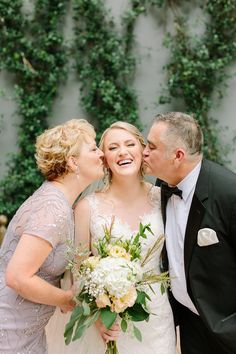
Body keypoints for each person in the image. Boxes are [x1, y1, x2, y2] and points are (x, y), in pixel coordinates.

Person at [61, 121, 175, 354]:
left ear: (143, 151)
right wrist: (99, 318)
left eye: (129, 144)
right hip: (108, 321)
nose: (122, 151)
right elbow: (78, 272)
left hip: (157, 317)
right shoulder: (86, 208)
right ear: (104, 159)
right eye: (113, 147)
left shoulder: (164, 198)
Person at [0, 118, 104, 353]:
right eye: (93, 148)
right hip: (9, 330)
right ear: (73, 161)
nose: (101, 154)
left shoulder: (58, 201)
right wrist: (67, 299)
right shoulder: (53, 208)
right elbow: (18, 277)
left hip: (27, 330)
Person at [143, 112, 236, 354]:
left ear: (178, 156)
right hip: (191, 328)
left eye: (151, 147)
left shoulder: (229, 194)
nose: (144, 152)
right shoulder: (162, 187)